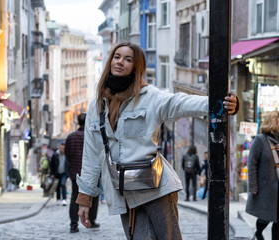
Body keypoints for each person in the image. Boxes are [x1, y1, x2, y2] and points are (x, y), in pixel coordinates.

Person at [75, 42, 238, 239]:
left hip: (156, 187)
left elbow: (181, 103)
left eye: (128, 59)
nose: (120, 62)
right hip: (125, 192)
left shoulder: (149, 97)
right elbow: (92, 154)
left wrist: (222, 103)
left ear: (136, 67)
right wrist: (85, 198)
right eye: (117, 57)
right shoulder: (96, 106)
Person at [246, 111, 279, 240]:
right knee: (265, 218)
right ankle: (258, 233)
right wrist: (253, 186)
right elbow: (252, 163)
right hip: (266, 188)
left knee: (277, 221)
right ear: (273, 122)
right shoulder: (260, 139)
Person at [65, 113, 100, 233]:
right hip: (93, 173)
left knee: (75, 197)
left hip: (76, 172)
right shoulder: (93, 137)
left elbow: (68, 156)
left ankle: (73, 224)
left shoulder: (71, 137)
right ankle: (92, 220)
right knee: (94, 197)